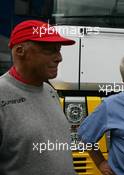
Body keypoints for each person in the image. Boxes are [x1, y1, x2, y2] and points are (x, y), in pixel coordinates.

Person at [0, 20, 76, 174]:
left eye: (59, 50)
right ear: (20, 51)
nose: (59, 57)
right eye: (50, 50)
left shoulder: (50, 91)